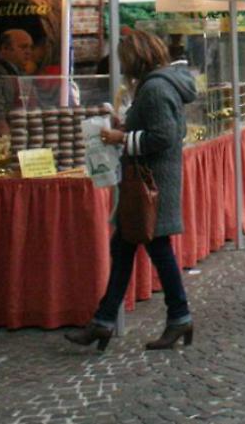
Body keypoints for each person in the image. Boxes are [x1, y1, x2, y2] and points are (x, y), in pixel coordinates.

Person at [64, 30, 198, 351]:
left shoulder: (154, 88)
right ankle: (104, 321)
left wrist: (121, 138)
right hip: (151, 181)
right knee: (125, 247)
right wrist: (126, 126)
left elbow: (163, 136)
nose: (122, 66)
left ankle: (178, 316)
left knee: (156, 247)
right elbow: (159, 129)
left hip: (150, 183)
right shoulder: (161, 84)